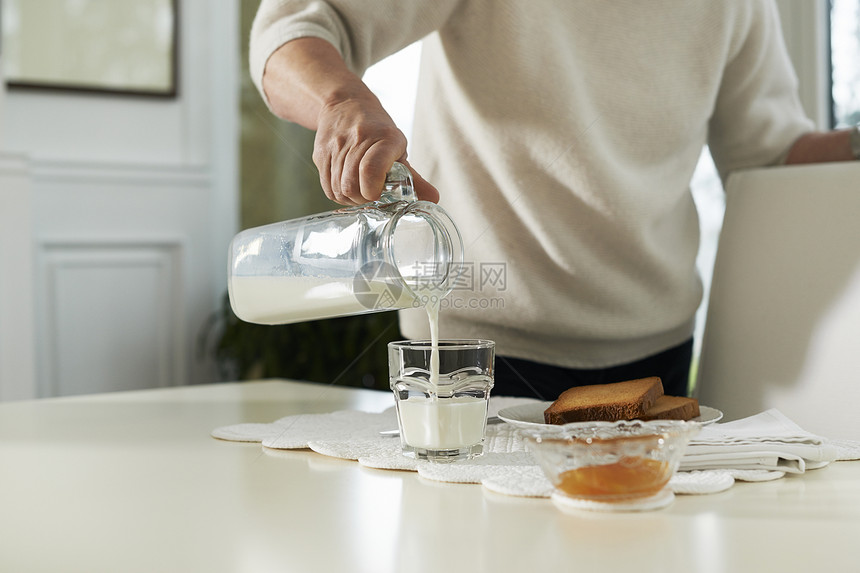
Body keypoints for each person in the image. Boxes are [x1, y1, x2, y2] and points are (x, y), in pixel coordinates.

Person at [249, 0, 859, 400]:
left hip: (654, 359)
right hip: (477, 352)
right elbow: (293, 30)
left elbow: (769, 155)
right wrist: (341, 104)